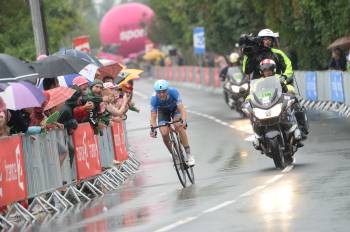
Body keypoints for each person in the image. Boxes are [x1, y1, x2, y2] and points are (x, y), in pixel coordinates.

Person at [149, 80, 195, 166]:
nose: (161, 94)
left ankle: (189, 154)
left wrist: (184, 120)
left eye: (164, 91)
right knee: (164, 132)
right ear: (156, 92)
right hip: (163, 111)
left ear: (167, 90)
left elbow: (181, 108)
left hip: (175, 109)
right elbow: (153, 116)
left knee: (178, 125)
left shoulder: (173, 92)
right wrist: (153, 129)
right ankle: (173, 154)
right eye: (159, 92)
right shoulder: (154, 98)